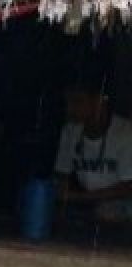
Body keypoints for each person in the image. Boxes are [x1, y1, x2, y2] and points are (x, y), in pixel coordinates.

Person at [54, 70, 132, 224]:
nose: (70, 109)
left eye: (77, 101)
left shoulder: (125, 133)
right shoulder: (70, 131)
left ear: (99, 101)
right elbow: (62, 176)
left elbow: (128, 188)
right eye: (67, 103)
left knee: (108, 212)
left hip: (124, 203)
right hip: (88, 203)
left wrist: (75, 197)